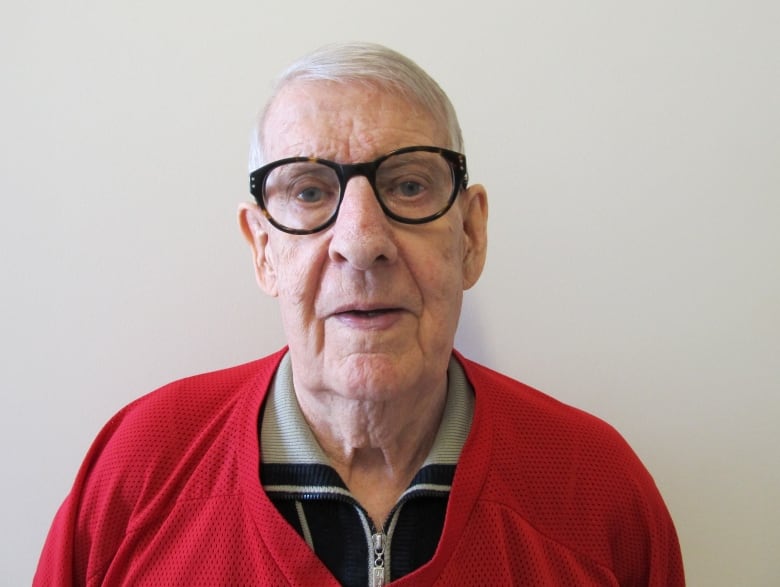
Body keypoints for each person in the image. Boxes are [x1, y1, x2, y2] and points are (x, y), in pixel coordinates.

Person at [34, 42, 684, 586]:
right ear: (264, 251)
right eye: (310, 191)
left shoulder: (597, 496)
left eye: (408, 184)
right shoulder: (138, 474)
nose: (362, 240)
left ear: (471, 237)